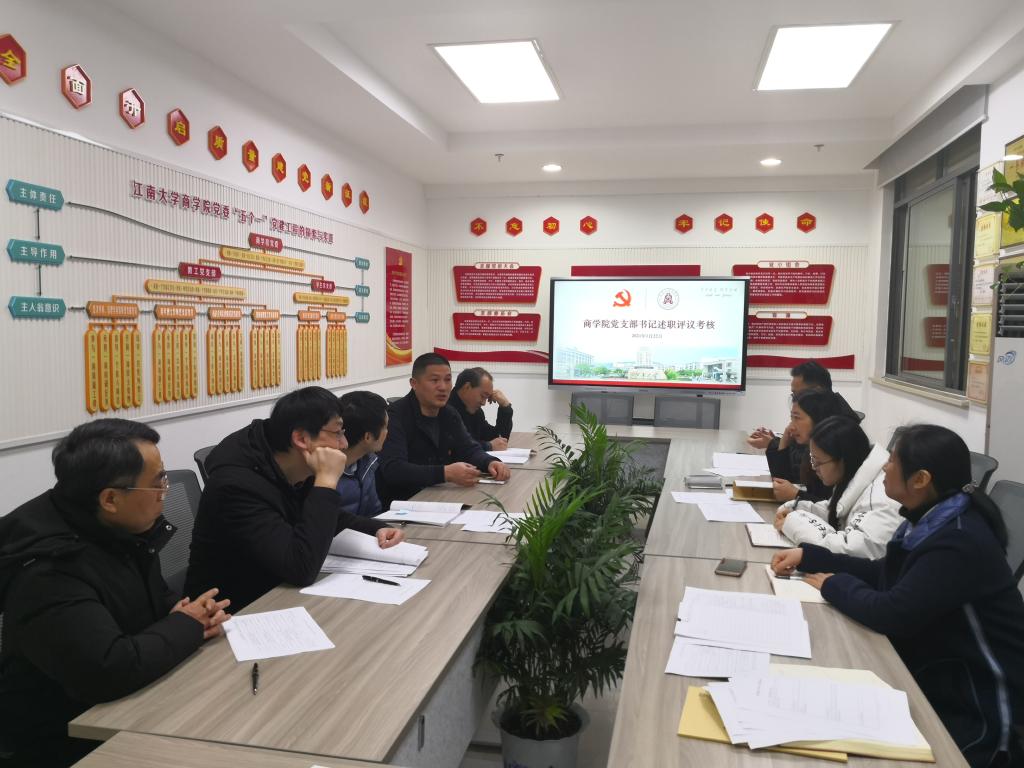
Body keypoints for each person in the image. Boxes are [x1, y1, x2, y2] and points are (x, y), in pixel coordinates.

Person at [772, 425, 1024, 768]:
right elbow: (884, 572)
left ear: (920, 479)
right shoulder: (928, 518)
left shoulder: (958, 540)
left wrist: (834, 584)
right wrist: (811, 556)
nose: (884, 468)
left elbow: (891, 612)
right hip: (938, 674)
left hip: (978, 709)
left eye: (892, 461)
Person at [0, 419, 229, 768]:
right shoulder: (49, 569)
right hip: (69, 738)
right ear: (110, 499)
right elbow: (107, 671)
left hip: (137, 700)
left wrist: (187, 613)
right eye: (158, 483)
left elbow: (154, 598)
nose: (165, 491)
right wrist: (188, 625)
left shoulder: (116, 527)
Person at [185, 386, 404, 611]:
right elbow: (301, 568)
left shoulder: (286, 464)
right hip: (233, 611)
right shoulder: (237, 486)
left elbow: (320, 516)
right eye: (337, 432)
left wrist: (375, 528)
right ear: (301, 438)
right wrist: (326, 480)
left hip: (280, 591)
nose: (344, 444)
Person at [376, 353, 511, 509]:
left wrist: (490, 462)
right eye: (434, 380)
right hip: (402, 504)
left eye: (447, 380)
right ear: (414, 384)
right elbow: (394, 469)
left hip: (439, 497)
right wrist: (445, 473)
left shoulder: (448, 413)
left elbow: (468, 449)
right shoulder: (395, 416)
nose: (443, 387)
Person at [773, 416, 901, 559]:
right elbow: (836, 513)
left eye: (818, 461)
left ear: (843, 460)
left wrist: (793, 525)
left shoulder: (881, 499)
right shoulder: (854, 475)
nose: (814, 468)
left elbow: (853, 550)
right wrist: (795, 508)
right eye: (812, 459)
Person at [748, 360, 862, 449]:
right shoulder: (827, 412)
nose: (795, 399)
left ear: (817, 391)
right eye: (793, 394)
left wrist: (772, 444)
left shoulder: (836, 428)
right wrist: (776, 441)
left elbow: (800, 463)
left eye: (798, 394)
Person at [766, 388, 851, 503]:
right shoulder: (810, 450)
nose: (791, 427)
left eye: (797, 418)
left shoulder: (833, 453)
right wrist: (784, 442)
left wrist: (796, 495)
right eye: (791, 418)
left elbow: (832, 507)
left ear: (818, 418)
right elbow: (781, 485)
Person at [338, 390, 388, 518]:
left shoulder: (368, 461)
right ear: (368, 437)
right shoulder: (325, 473)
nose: (387, 432)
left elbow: (374, 512)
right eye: (385, 427)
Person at [448, 367, 514, 452]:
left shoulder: (476, 411)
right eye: (483, 396)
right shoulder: (445, 409)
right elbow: (454, 447)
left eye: (487, 398)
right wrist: (488, 446)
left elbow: (498, 439)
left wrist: (505, 407)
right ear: (467, 387)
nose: (484, 403)